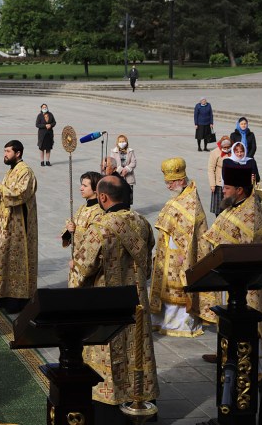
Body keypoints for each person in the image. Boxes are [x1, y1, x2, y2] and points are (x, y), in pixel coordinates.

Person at [70, 176, 159, 419]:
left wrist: (74, 296)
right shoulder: (142, 223)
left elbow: (83, 268)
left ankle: (109, 409)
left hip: (106, 304)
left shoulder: (100, 228)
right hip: (137, 302)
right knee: (136, 351)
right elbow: (147, 266)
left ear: (102, 197)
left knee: (109, 353)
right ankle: (140, 399)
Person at [200, 164, 262, 372]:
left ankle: (254, 368)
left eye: (227, 187)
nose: (223, 190)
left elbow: (246, 251)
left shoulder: (250, 214)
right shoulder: (234, 205)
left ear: (239, 190)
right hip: (228, 275)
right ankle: (226, 354)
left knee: (251, 322)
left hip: (247, 281)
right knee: (227, 317)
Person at [149, 158, 212, 338]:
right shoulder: (180, 196)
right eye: (167, 182)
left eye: (170, 183)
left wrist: (183, 254)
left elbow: (189, 232)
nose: (168, 186)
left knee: (179, 288)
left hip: (180, 253)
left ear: (180, 181)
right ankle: (163, 321)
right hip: (168, 250)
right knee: (166, 286)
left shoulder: (190, 200)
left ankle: (181, 324)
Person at [0, 140, 38, 314]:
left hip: (19, 227)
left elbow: (19, 195)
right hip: (6, 225)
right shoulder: (11, 170)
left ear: (18, 153)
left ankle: (17, 300)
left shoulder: (25, 172)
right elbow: (5, 194)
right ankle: (1, 295)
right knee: (3, 259)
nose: (5, 154)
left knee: (17, 262)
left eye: (8, 151)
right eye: (4, 150)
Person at [62, 171, 103, 287]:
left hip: (87, 264)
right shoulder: (82, 208)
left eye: (85, 186)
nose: (81, 188)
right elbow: (70, 232)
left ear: (95, 189)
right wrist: (68, 229)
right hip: (75, 261)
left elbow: (93, 240)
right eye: (81, 185)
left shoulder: (99, 212)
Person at [207, 136, 231, 216]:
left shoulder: (233, 151)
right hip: (219, 183)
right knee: (218, 208)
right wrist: (212, 184)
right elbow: (211, 169)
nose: (227, 149)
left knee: (229, 206)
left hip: (230, 182)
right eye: (225, 147)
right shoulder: (215, 153)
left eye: (228, 147)